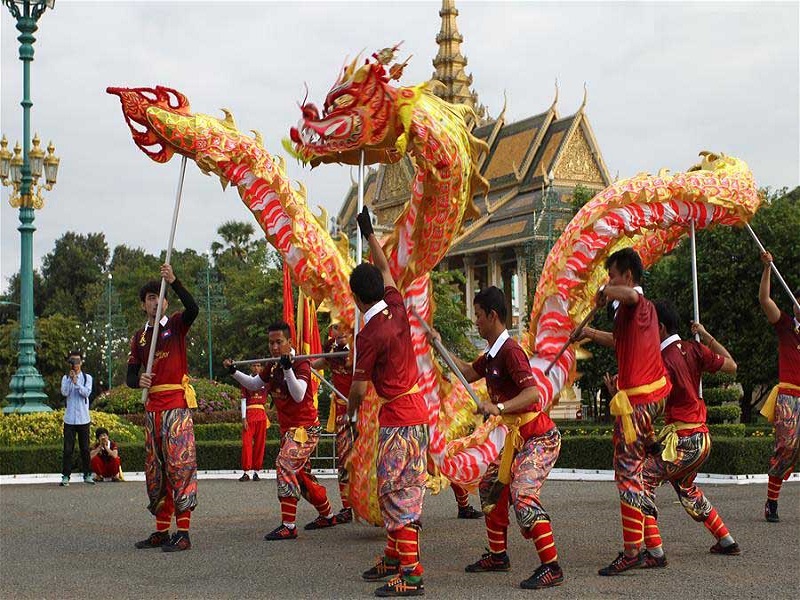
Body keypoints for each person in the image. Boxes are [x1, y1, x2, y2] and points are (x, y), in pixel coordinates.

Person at [429, 286, 564, 590]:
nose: (475, 321)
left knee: (523, 493)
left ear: (492, 315)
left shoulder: (511, 352)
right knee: (491, 485)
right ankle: (498, 555)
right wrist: (437, 346)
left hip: (540, 438)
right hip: (518, 440)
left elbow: (533, 393)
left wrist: (498, 407)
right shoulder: (491, 356)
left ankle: (551, 566)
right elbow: (464, 370)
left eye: (477, 315)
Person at [349, 206, 429, 597]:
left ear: (356, 299)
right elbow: (384, 269)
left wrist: (349, 416)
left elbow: (359, 390)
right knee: (402, 487)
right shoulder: (396, 306)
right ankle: (395, 557)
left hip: (398, 418)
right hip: (416, 412)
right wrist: (369, 234)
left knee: (397, 493)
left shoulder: (368, 335)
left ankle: (412, 574)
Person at [580, 248, 672, 576]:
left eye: (613, 275)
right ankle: (654, 550)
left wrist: (605, 292)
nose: (609, 282)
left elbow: (629, 295)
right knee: (633, 474)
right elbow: (618, 341)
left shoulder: (637, 303)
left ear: (628, 276)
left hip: (639, 402)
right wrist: (587, 333)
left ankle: (632, 550)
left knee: (627, 473)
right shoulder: (626, 315)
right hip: (642, 400)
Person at [633, 300, 740, 565]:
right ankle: (726, 539)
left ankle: (655, 551)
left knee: (641, 478)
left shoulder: (661, 360)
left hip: (682, 441)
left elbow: (652, 406)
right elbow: (732, 365)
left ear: (659, 327)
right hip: (701, 437)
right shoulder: (695, 349)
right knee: (685, 486)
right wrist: (704, 335)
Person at [225, 322, 337, 541]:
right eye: (271, 343)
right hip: (289, 431)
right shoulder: (275, 365)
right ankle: (328, 515)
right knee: (302, 478)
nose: (274, 347)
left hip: (305, 430)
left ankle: (289, 525)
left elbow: (298, 394)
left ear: (289, 342)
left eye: (279, 342)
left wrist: (288, 369)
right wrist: (234, 372)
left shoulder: (301, 363)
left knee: (284, 464)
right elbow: (255, 383)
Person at [127, 264, 198, 553]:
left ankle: (183, 532)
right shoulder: (139, 338)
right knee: (156, 471)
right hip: (153, 410)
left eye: (161, 296)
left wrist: (175, 281)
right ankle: (161, 530)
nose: (155, 302)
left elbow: (193, 308)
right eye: (150, 298)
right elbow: (131, 374)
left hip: (176, 409)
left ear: (167, 302)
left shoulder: (177, 325)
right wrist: (137, 381)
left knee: (180, 467)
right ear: (144, 305)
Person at [758, 250, 800, 523]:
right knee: (786, 446)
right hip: (788, 395)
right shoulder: (786, 325)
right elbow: (764, 300)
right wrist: (768, 269)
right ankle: (772, 501)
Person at [311, 323, 355, 523]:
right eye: (335, 327)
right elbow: (319, 364)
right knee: (344, 460)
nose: (339, 332)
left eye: (343, 327)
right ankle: (347, 507)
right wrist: (301, 363)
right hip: (341, 413)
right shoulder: (331, 350)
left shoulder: (360, 348)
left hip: (364, 412)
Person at [60, 350, 94, 486]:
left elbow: (86, 393)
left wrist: (76, 383)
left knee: (85, 448)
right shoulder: (65, 378)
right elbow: (64, 392)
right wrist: (70, 380)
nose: (75, 364)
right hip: (69, 419)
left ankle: (87, 474)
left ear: (81, 362)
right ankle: (66, 476)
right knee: (68, 449)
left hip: (83, 419)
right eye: (73, 362)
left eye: (78, 361)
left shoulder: (87, 378)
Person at [239, 363, 270, 482]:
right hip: (250, 414)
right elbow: (243, 400)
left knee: (260, 444)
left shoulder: (266, 382)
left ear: (261, 368)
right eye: (254, 365)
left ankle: (257, 471)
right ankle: (246, 472)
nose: (256, 368)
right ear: (251, 367)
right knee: (247, 444)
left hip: (261, 415)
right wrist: (243, 418)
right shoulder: (246, 381)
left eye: (258, 365)